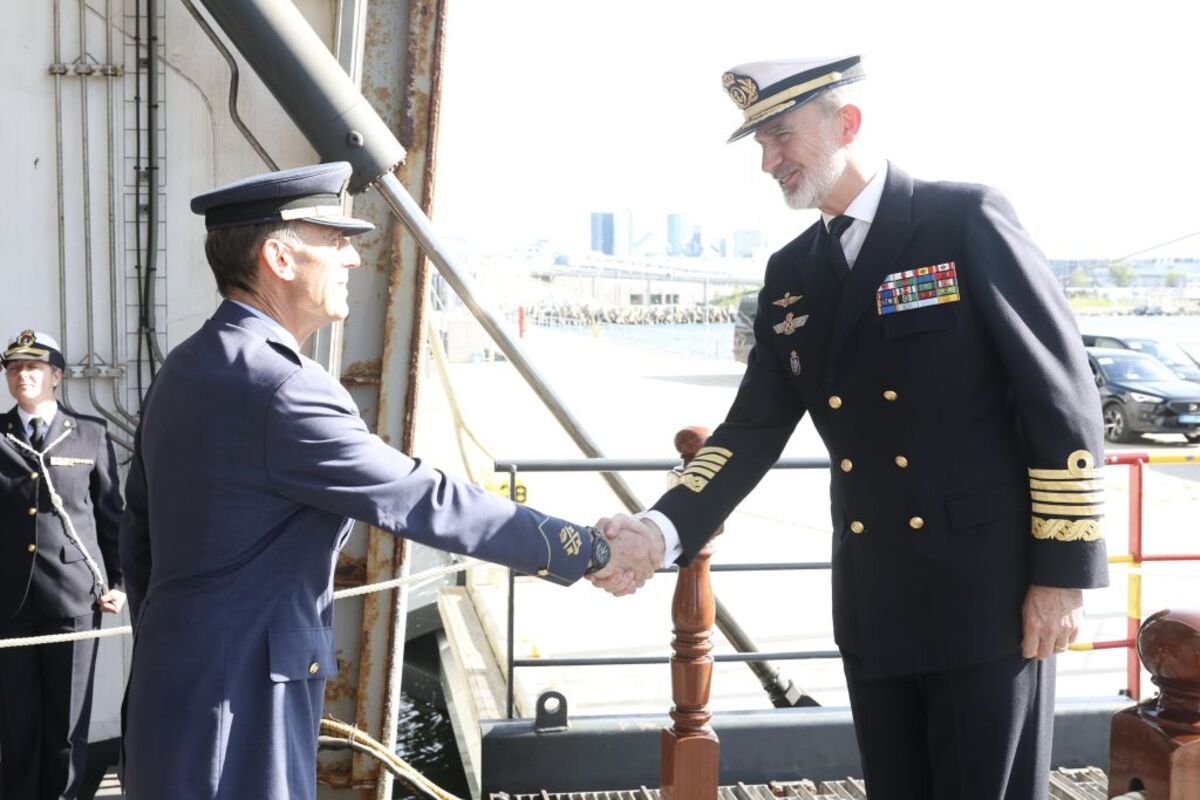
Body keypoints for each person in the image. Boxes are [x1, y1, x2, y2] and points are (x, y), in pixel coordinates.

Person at [594, 56, 1109, 798]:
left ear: (847, 123)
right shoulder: (792, 272)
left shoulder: (962, 219)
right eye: (759, 147)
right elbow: (749, 430)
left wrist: (1061, 575)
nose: (768, 162)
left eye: (780, 137)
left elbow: (1061, 400)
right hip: (876, 595)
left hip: (988, 598)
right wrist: (660, 529)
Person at [117, 162, 658, 800]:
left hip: (173, 682)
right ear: (278, 258)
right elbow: (424, 500)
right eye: (334, 239)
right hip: (240, 706)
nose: (352, 257)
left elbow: (139, 537)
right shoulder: (282, 387)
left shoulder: (186, 366)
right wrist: (589, 550)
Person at [0, 330, 125, 799]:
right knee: (16, 722)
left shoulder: (90, 433)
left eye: (33, 367)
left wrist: (120, 582)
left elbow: (112, 515)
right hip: (7, 601)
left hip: (74, 596)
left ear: (56, 376)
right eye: (13, 368)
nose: (22, 375)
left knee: (68, 723)